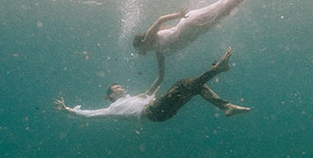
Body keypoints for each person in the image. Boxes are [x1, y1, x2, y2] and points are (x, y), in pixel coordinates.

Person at [132, 0, 281, 84]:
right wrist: (148, 94)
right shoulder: (159, 53)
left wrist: (179, 15)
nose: (139, 53)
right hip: (197, 30)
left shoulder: (149, 39)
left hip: (190, 24)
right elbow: (160, 78)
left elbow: (160, 20)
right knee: (225, 7)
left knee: (226, 6)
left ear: (141, 45)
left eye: (138, 50)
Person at [53, 48, 249, 122]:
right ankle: (217, 70)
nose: (121, 87)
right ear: (111, 96)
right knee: (183, 83)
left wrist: (160, 59)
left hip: (162, 113)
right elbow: (90, 114)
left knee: (195, 87)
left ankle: (227, 107)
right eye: (116, 88)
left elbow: (160, 80)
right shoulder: (112, 108)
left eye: (120, 86)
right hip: (153, 113)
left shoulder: (137, 97)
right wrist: (67, 109)